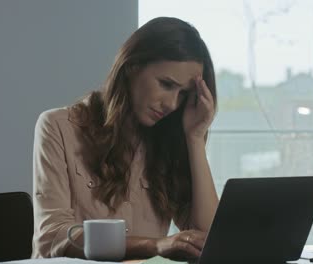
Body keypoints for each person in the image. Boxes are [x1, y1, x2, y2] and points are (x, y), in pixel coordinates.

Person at [31, 16, 218, 261]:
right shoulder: (58, 127)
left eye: (183, 94)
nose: (172, 104)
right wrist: (155, 245)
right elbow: (53, 237)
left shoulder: (170, 142)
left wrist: (195, 138)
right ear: (132, 66)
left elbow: (209, 239)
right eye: (166, 84)